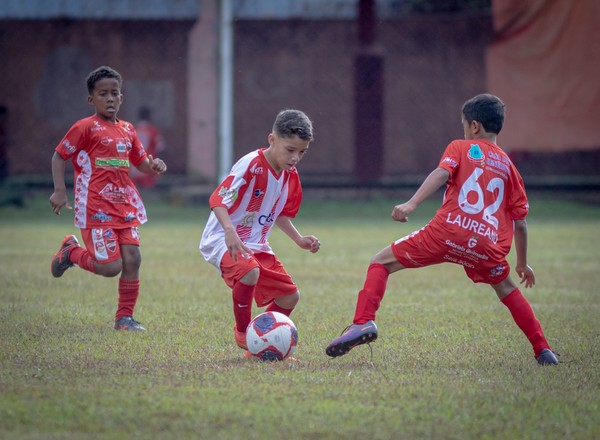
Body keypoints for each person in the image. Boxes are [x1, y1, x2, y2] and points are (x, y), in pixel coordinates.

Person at [325, 94, 559, 365]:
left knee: (380, 262)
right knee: (507, 289)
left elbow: (441, 173)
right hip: (487, 245)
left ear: (474, 126)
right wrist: (522, 263)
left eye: (463, 125)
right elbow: (520, 223)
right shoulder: (510, 168)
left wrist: (411, 203)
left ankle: (363, 322)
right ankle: (543, 350)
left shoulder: (460, 147)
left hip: (447, 232)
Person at [49, 66, 167, 331]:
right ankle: (72, 252)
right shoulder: (84, 128)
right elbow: (59, 156)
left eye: (115, 93)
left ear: (121, 98)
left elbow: (141, 162)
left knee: (134, 258)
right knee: (110, 267)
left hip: (124, 205)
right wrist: (59, 190)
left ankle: (124, 318)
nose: (110, 98)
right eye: (103, 94)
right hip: (95, 207)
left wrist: (154, 165)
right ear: (92, 99)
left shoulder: (128, 129)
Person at [200, 109, 320, 356]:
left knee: (290, 296)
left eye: (302, 152)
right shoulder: (251, 164)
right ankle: (243, 331)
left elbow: (280, 213)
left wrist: (299, 239)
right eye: (290, 150)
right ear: (272, 139)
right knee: (250, 272)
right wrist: (230, 232)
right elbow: (217, 199)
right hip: (223, 239)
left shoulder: (289, 175)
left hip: (256, 244)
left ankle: (259, 344)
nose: (295, 157)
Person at [130, 106, 166, 188]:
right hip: (147, 165)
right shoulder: (153, 131)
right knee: (148, 193)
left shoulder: (133, 130)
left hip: (134, 166)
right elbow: (161, 147)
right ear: (150, 117)